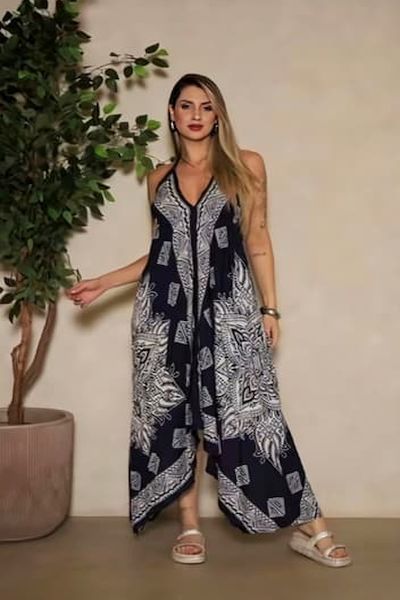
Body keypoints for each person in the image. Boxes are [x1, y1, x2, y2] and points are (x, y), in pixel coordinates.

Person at [66, 73, 352, 568]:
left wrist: (269, 307)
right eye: (186, 105)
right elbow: (163, 253)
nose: (196, 115)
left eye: (206, 106)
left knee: (255, 414)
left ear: (218, 115)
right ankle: (190, 525)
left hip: (230, 314)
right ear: (172, 114)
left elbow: (257, 238)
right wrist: (103, 282)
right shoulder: (158, 178)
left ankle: (311, 527)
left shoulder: (246, 165)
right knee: (178, 418)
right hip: (165, 317)